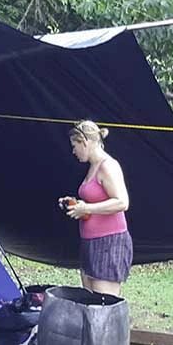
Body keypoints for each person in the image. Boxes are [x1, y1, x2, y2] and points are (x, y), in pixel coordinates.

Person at [59, 120, 132, 296]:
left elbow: (122, 202)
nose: (73, 151)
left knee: (103, 305)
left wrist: (88, 208)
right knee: (89, 303)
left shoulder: (108, 166)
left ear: (84, 142)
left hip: (109, 243)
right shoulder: (93, 167)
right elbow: (94, 200)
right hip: (90, 243)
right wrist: (76, 204)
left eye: (75, 145)